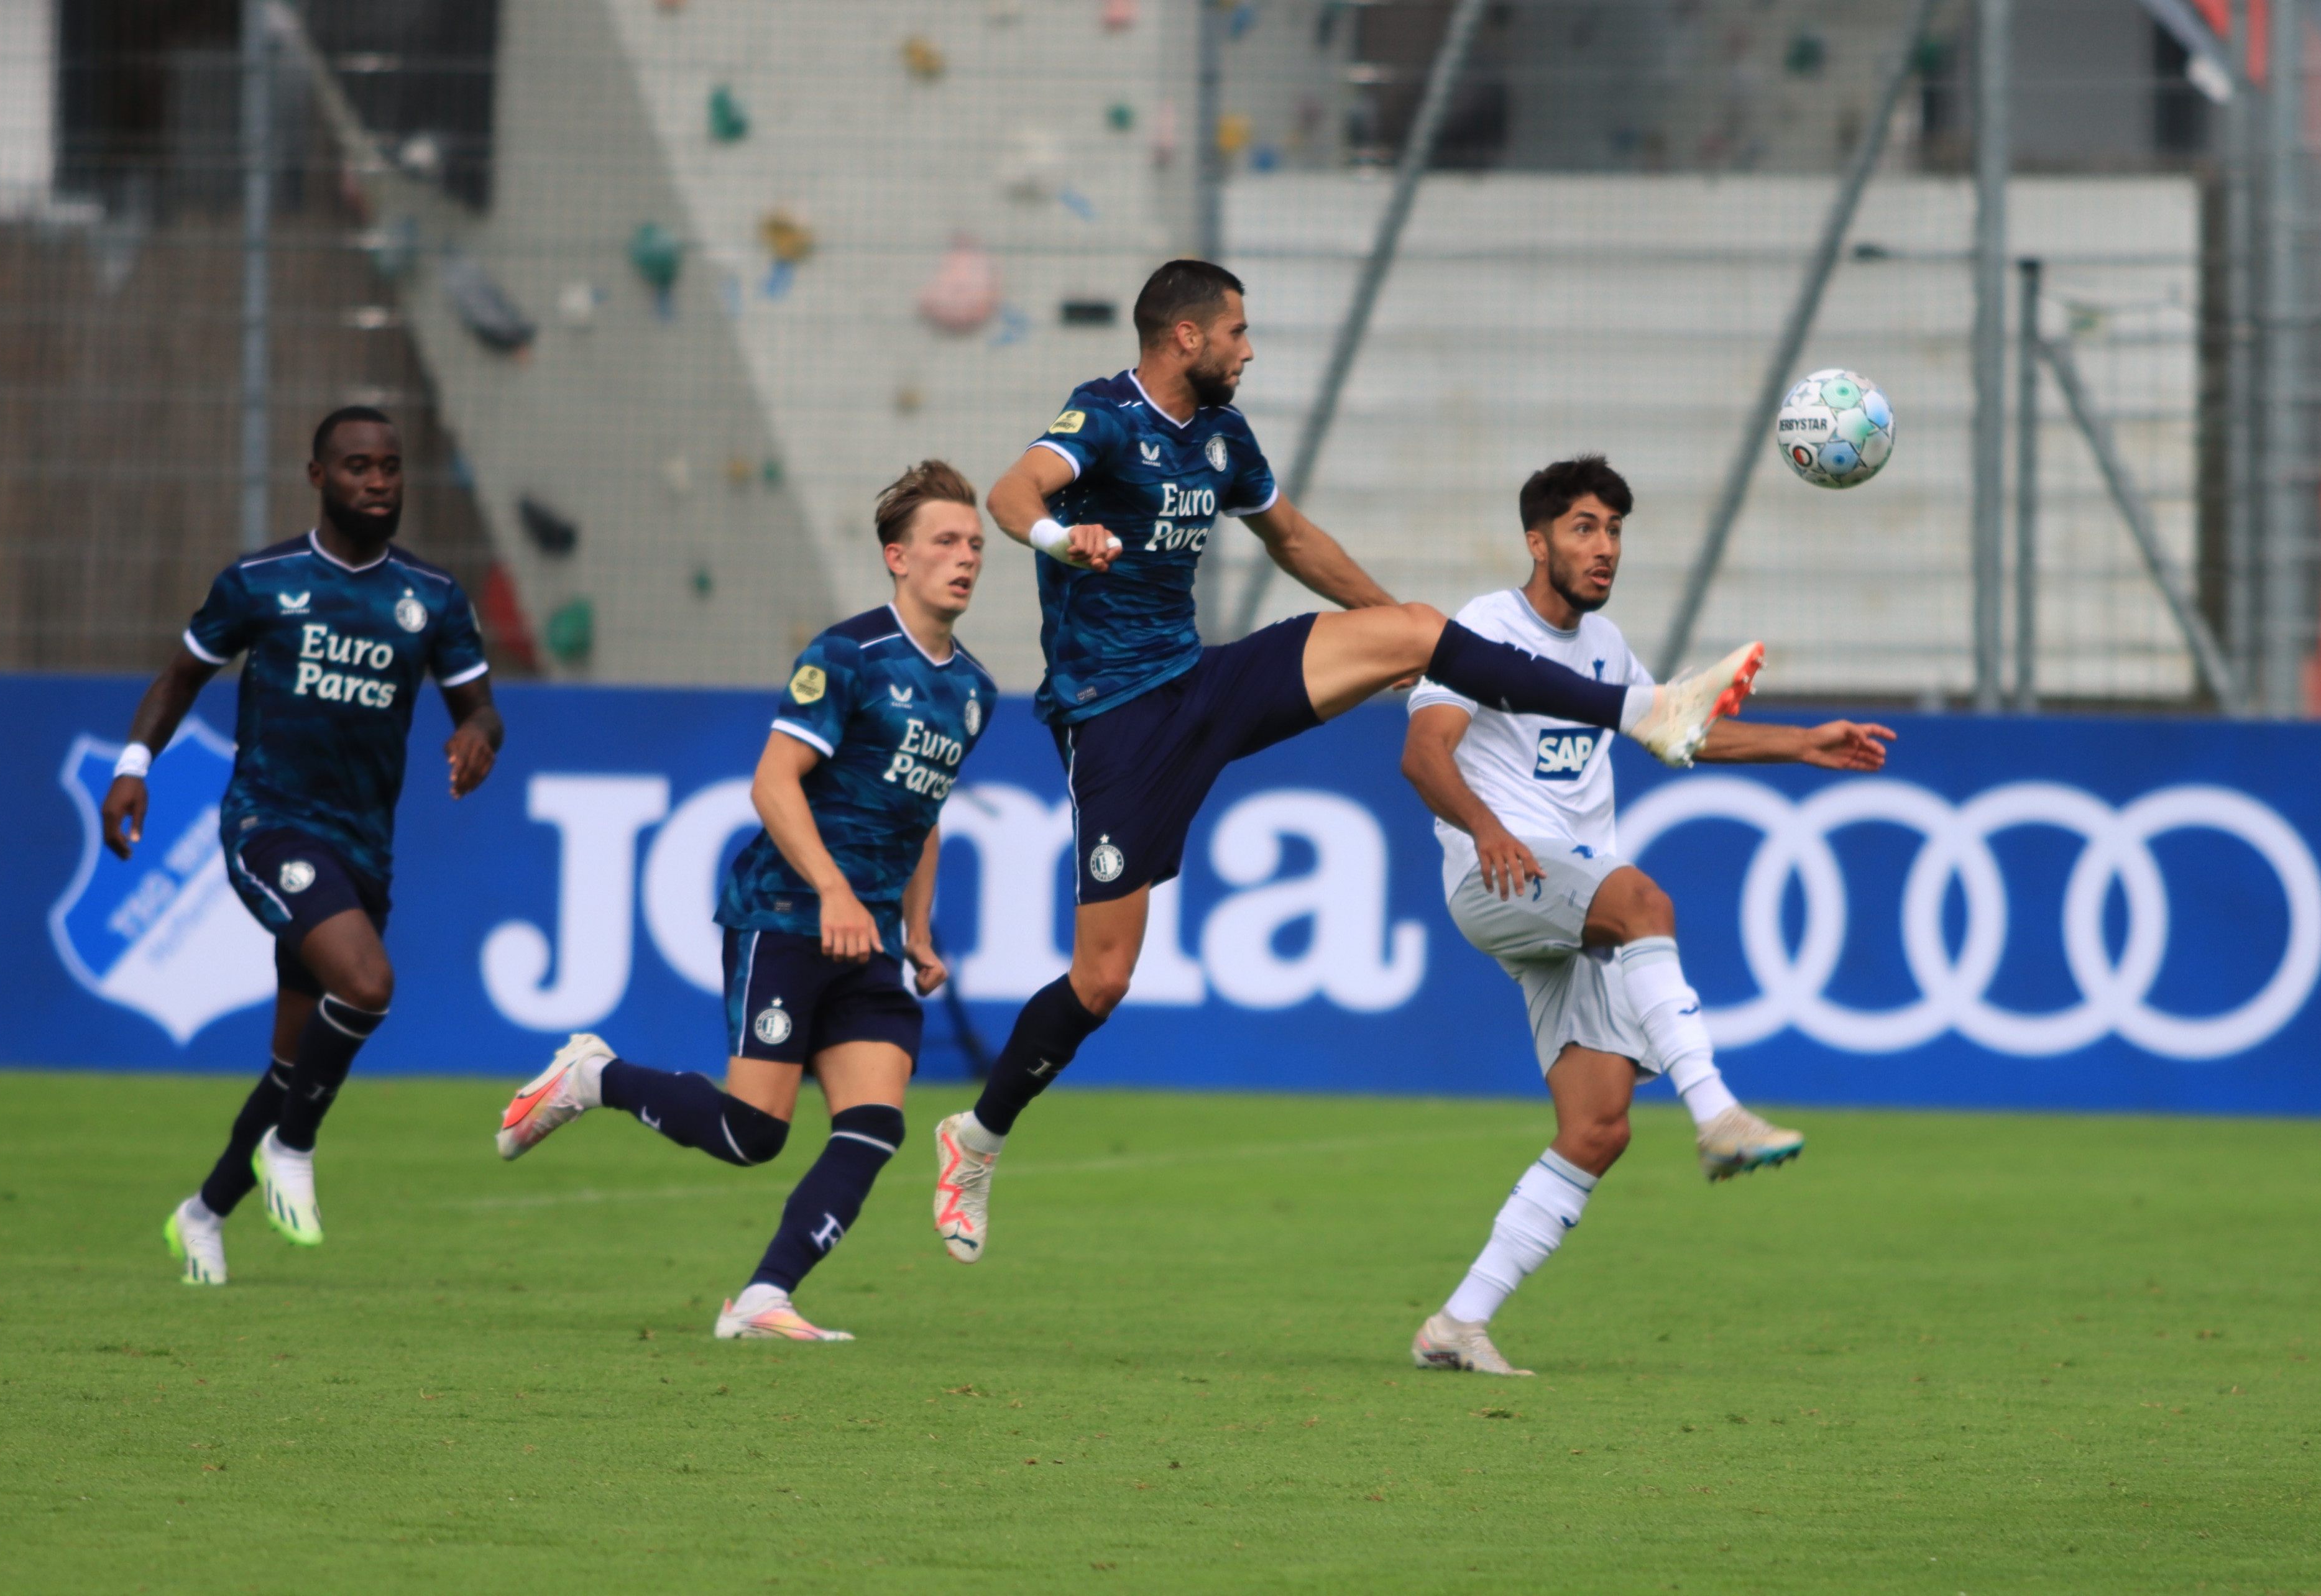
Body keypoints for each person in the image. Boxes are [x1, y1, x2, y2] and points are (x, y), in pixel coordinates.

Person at [929, 259, 1767, 1262]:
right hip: (1116, 725)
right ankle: (976, 1139)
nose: (1250, 347)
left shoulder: (1223, 436)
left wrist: (1397, 639)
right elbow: (1013, 492)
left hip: (1200, 686)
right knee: (1102, 981)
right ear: (1186, 338)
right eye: (1236, 330)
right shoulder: (1104, 416)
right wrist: (1061, 538)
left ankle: (1646, 709)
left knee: (1416, 625)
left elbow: (1288, 535)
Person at [1401, 455, 1893, 1376]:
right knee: (1642, 898)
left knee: (1598, 1125)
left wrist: (1803, 742)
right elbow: (1423, 756)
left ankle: (1455, 1325)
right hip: (1499, 873)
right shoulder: (1481, 628)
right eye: (1585, 527)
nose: (1605, 548)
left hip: (1563, 892)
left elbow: (1671, 726)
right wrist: (1487, 828)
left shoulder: (1604, 647)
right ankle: (1719, 1117)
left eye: (1616, 530)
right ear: (1537, 540)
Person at [495, 461, 995, 1341]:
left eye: (977, 544)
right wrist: (835, 890)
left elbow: (923, 816)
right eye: (946, 542)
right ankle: (590, 1077)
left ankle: (764, 1298)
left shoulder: (974, 691)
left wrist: (916, 932)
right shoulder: (848, 656)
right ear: (897, 558)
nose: (966, 558)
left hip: (869, 935)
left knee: (874, 1124)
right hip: (786, 914)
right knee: (751, 1134)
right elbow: (773, 783)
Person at [104, 406, 502, 1285]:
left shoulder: (431, 597)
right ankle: (294, 1146)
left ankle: (202, 1214)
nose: (378, 481)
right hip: (270, 822)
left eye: (391, 467)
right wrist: (136, 767)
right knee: (367, 984)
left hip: (365, 846)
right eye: (359, 466)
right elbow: (179, 678)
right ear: (319, 477)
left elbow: (478, 704)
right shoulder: (261, 582)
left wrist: (479, 734)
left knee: (294, 1060)